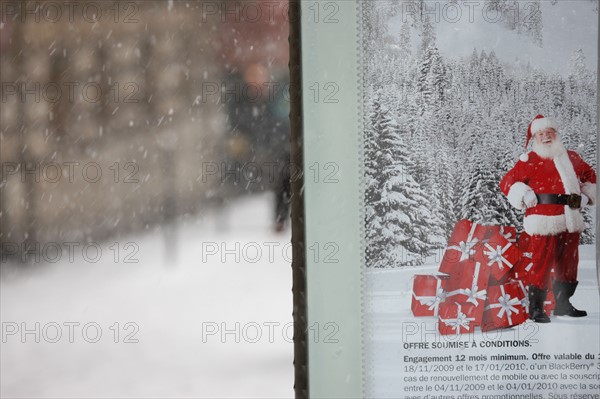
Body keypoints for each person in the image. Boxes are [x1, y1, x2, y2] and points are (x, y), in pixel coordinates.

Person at [500, 115, 596, 323]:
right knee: (541, 264)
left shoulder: (572, 157)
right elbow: (508, 182)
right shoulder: (529, 160)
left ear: (556, 134)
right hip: (543, 219)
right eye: (541, 134)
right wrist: (524, 194)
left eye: (549, 132)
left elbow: (590, 175)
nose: (546, 137)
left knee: (569, 264)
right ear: (535, 137)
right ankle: (536, 307)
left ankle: (564, 304)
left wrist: (587, 195)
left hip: (569, 217)